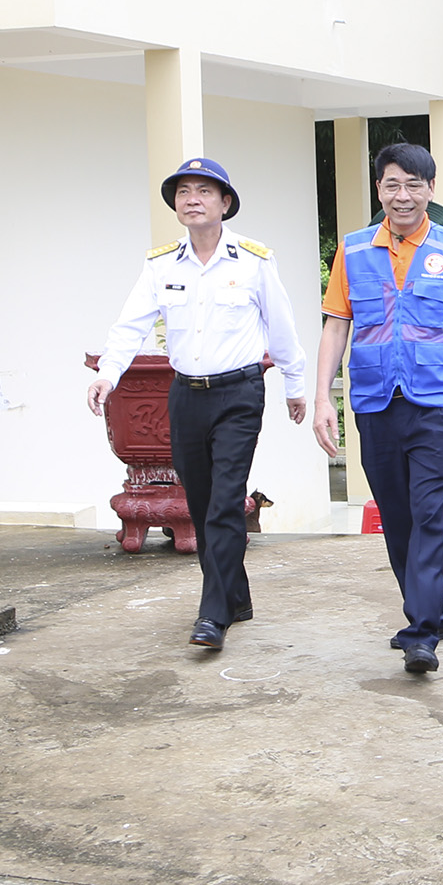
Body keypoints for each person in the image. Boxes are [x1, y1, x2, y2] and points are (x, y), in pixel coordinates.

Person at [88, 157, 307, 651]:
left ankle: (213, 614)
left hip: (239, 394)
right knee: (205, 502)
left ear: (225, 203)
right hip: (186, 395)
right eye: (183, 192)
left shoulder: (253, 261)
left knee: (225, 501)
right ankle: (236, 596)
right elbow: (130, 326)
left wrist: (295, 386)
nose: (192, 200)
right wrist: (108, 375)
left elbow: (282, 327)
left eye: (204, 191)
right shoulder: (161, 265)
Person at [311, 143, 443, 675]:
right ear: (379, 190)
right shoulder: (352, 251)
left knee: (428, 513)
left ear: (431, 190)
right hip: (375, 404)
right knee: (396, 516)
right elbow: (336, 326)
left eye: (414, 185)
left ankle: (420, 632)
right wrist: (324, 396)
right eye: (393, 184)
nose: (403, 195)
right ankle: (434, 610)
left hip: (437, 405)